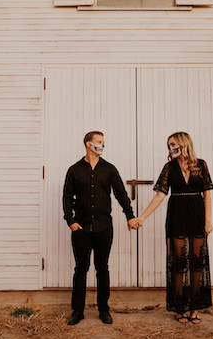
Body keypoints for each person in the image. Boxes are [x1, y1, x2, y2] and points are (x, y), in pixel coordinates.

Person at [133, 131, 213, 324]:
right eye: (169, 145)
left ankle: (195, 308)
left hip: (196, 214)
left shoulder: (201, 165)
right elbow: (160, 195)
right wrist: (142, 217)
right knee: (178, 263)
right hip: (177, 215)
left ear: (184, 144)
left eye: (174, 144)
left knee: (197, 262)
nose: (171, 148)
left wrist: (208, 220)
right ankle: (180, 307)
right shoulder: (169, 167)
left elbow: (207, 194)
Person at [62, 131, 140, 326]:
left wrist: (130, 216)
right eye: (99, 142)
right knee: (81, 269)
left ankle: (104, 310)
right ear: (88, 144)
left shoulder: (109, 169)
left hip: (104, 227)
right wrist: (70, 220)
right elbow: (67, 197)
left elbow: (121, 194)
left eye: (103, 142)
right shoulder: (74, 170)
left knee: (102, 268)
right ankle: (77, 311)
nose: (102, 145)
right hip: (81, 228)